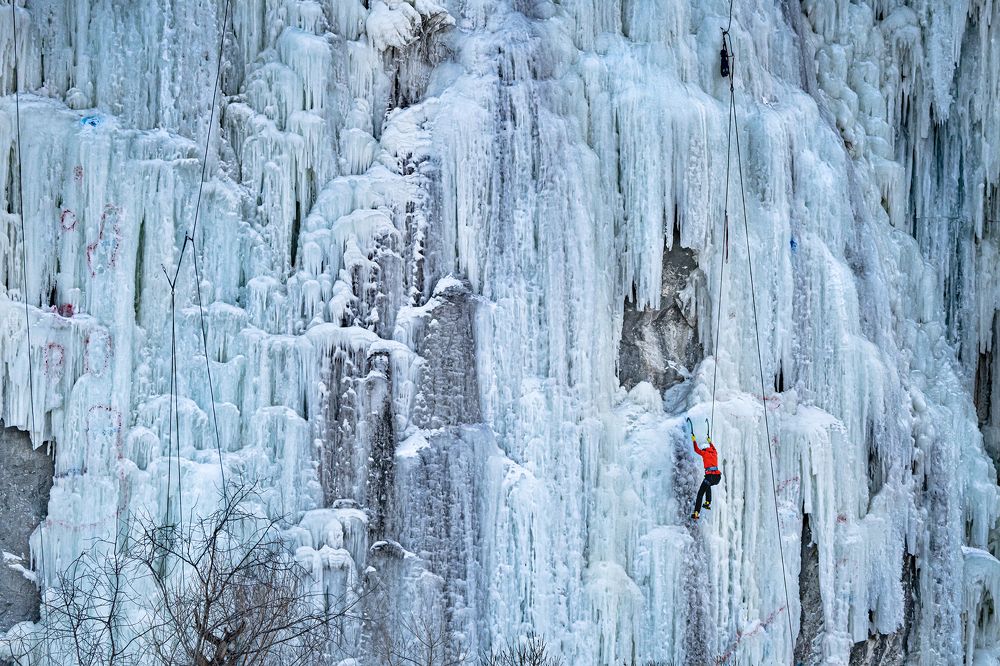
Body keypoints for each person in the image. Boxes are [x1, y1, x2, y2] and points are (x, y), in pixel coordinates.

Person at [688, 418, 722, 520]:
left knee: (700, 493)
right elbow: (713, 447)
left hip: (710, 476)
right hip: (717, 478)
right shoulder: (714, 452)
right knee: (708, 485)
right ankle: (707, 503)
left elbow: (696, 449)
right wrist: (710, 441)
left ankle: (696, 513)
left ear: (704, 448)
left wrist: (693, 440)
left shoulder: (704, 452)